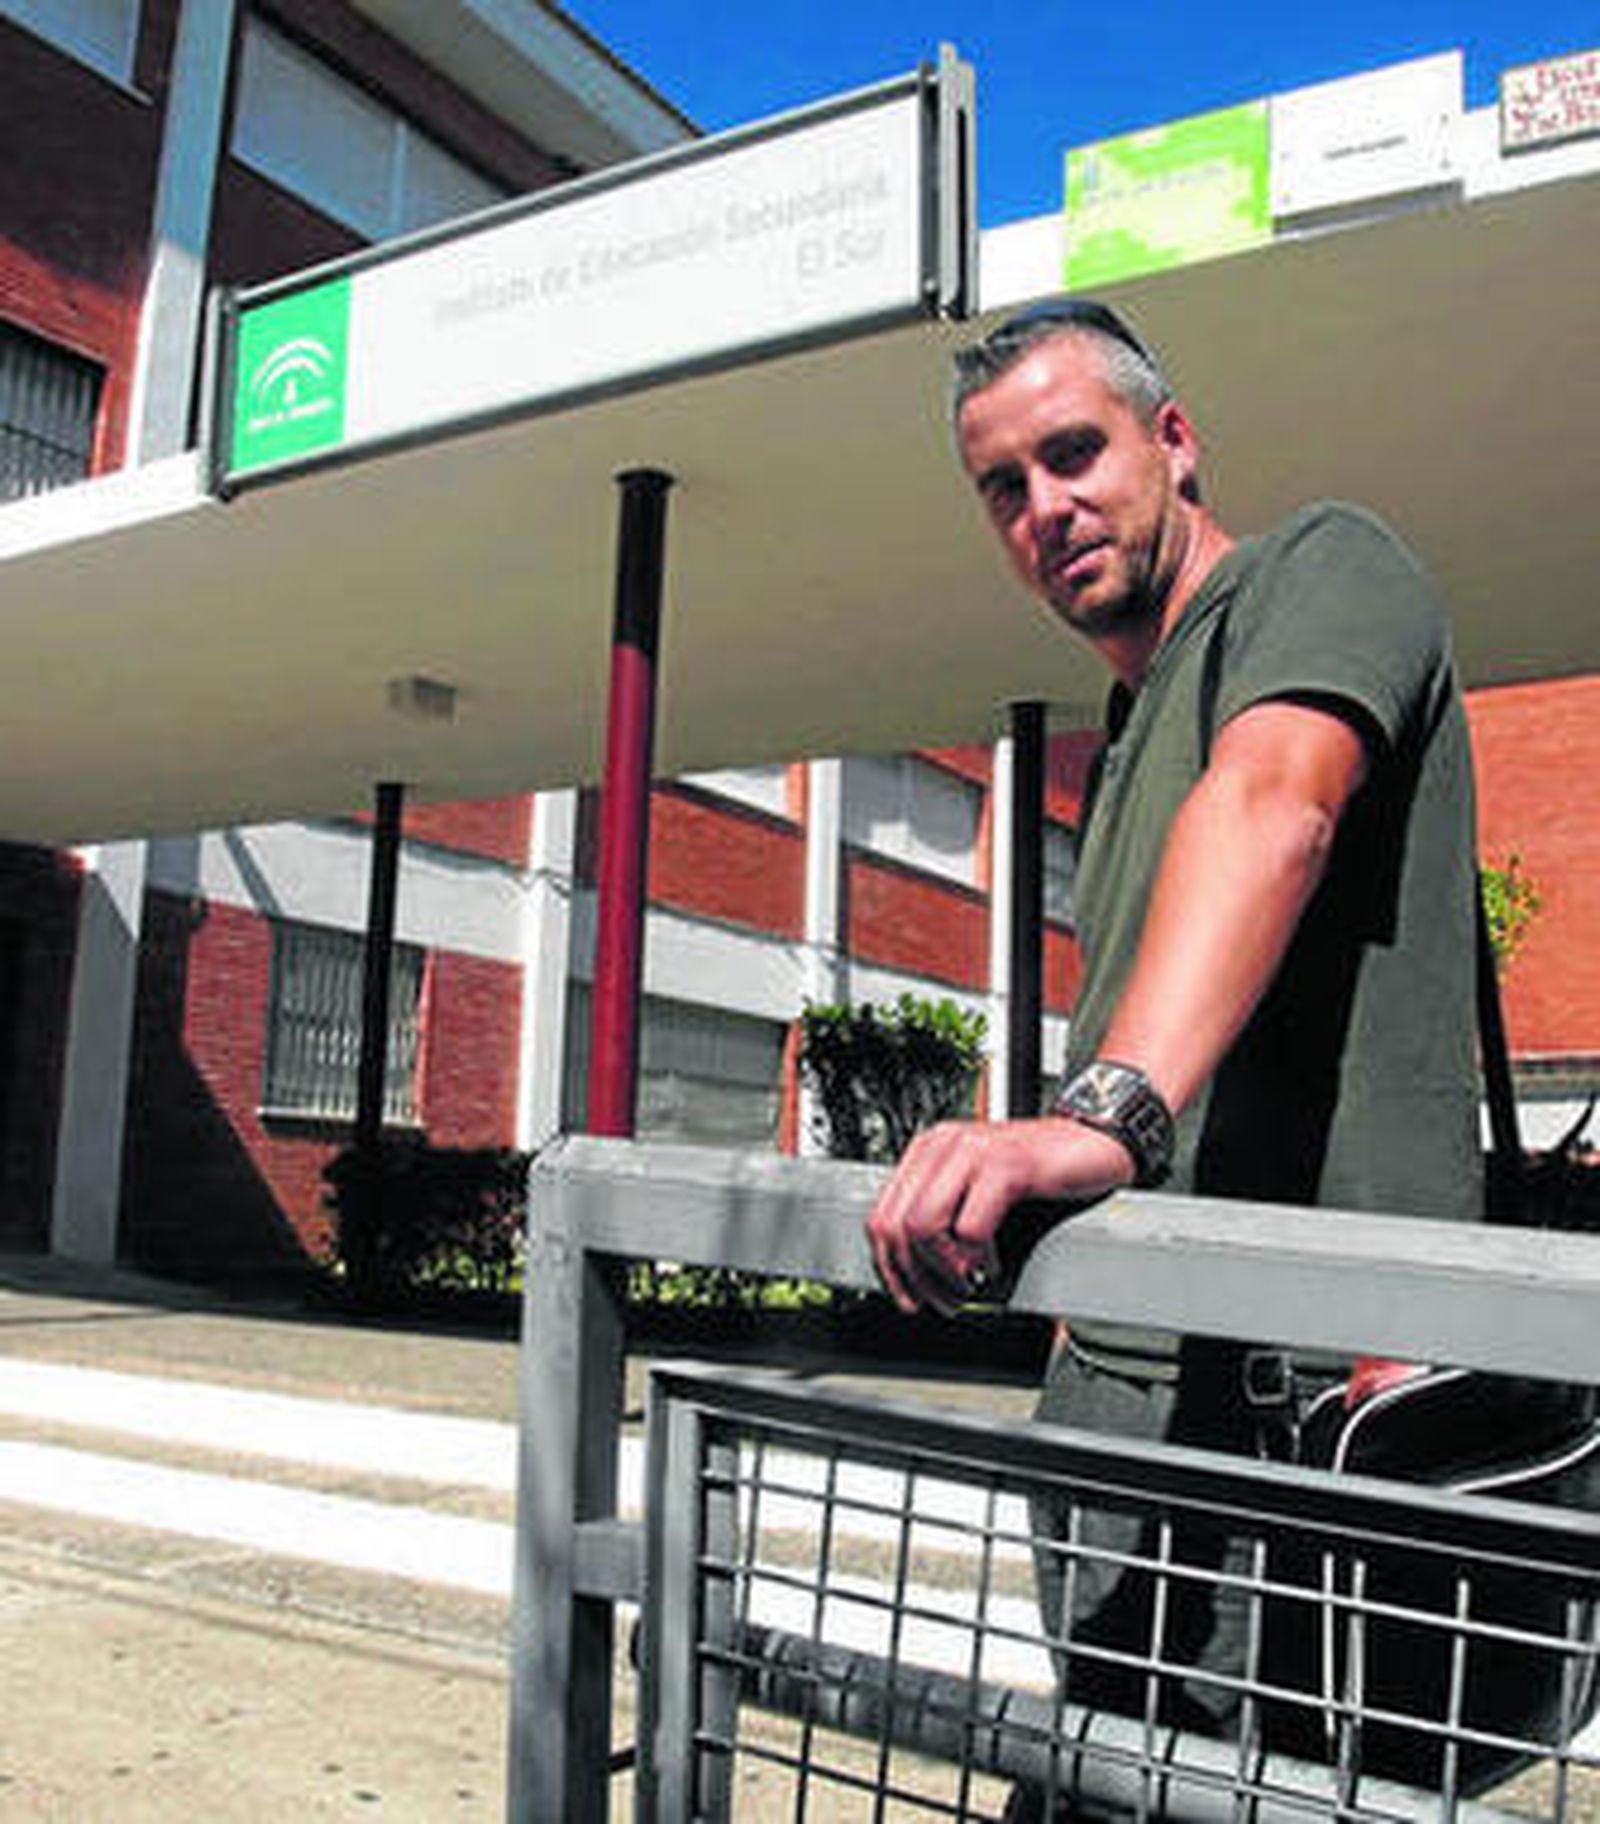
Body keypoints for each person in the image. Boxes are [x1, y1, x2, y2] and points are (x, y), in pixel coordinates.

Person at [865, 298, 1483, 1773]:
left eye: (1074, 453)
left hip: (1312, 1421)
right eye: (1002, 489)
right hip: (1128, 1412)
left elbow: (1277, 800)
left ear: (1177, 442)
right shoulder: (1129, 722)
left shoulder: (1324, 571)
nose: (1044, 510)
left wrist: (1103, 1116)